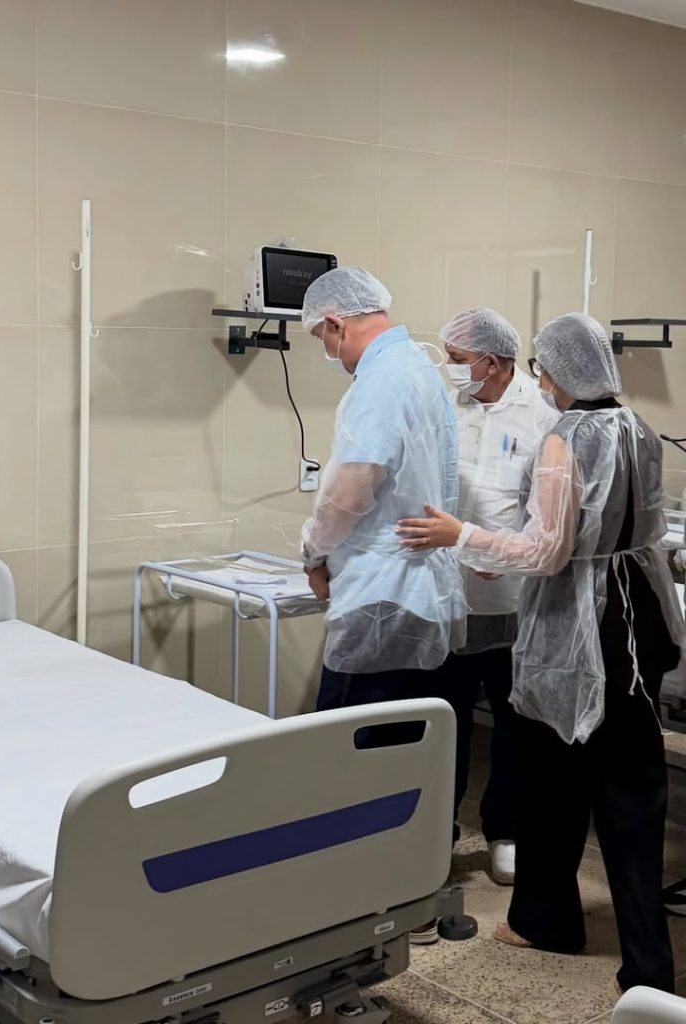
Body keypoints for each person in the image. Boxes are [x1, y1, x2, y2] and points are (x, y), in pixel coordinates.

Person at [398, 313, 684, 993]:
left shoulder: (564, 438)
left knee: (555, 779)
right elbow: (630, 526)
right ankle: (648, 964)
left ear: (555, 370)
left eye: (544, 369)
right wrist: (510, 551)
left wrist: (462, 535)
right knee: (634, 788)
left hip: (581, 628)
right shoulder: (639, 428)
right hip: (638, 616)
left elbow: (548, 551)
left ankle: (546, 920)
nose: (542, 380)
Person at [300, 267, 467, 943]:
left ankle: (368, 903)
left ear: (337, 323)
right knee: (413, 754)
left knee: (352, 755)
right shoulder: (422, 369)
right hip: (424, 594)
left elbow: (349, 491)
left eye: (322, 337)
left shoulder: (379, 382)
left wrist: (312, 551)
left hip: (381, 598)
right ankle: (412, 891)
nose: (326, 350)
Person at [437, 308, 559, 885]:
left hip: (514, 599)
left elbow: (552, 510)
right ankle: (437, 830)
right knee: (446, 720)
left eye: (457, 359)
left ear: (492, 361)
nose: (450, 368)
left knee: (513, 724)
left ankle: (504, 830)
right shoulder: (449, 406)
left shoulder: (544, 415)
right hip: (447, 595)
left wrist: (502, 553)